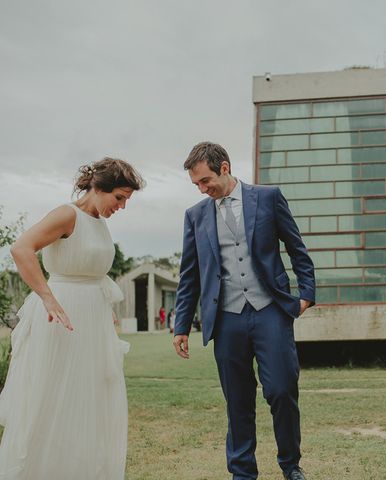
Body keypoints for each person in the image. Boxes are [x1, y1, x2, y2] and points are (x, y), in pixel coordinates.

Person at [172, 142, 315, 480]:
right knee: (237, 400)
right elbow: (189, 275)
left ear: (224, 167)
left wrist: (305, 294)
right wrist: (180, 326)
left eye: (206, 180)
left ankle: (290, 465)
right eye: (196, 185)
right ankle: (242, 472)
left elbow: (296, 248)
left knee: (281, 389)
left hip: (270, 311)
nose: (203, 189)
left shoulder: (267, 198)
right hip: (226, 319)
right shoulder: (195, 216)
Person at [0, 157, 144, 479]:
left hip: (92, 321)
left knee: (89, 400)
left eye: (126, 200)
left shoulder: (101, 224)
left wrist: (105, 308)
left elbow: (92, 273)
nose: (121, 206)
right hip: (62, 318)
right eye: (119, 197)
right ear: (98, 187)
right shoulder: (67, 215)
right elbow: (21, 248)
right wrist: (48, 298)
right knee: (55, 398)